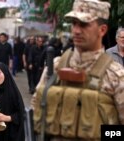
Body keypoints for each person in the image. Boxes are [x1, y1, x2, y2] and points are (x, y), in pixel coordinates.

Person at [32, 0, 124, 140]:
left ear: (102, 30)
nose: (76, 30)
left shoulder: (115, 75)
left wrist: (102, 134)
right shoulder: (56, 67)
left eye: (84, 24)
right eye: (74, 23)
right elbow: (36, 110)